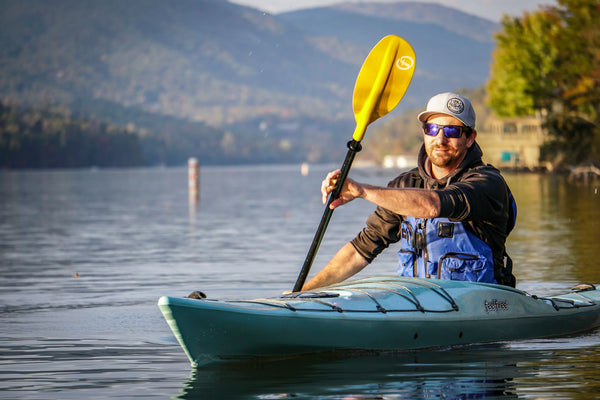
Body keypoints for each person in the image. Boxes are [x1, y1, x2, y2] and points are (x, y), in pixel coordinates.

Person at [301, 92, 516, 291]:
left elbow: (432, 205)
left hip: (483, 304)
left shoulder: (487, 183)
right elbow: (359, 251)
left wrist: (362, 190)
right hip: (418, 304)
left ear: (470, 138)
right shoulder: (405, 185)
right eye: (432, 129)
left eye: (452, 131)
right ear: (424, 133)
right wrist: (302, 293)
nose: (440, 140)